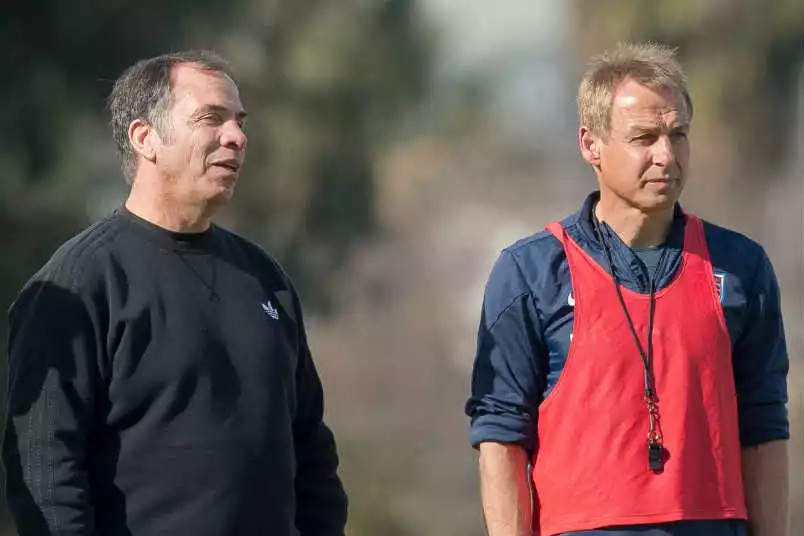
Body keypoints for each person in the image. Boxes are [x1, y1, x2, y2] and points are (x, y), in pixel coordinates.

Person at [2, 50, 347, 536]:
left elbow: (310, 449)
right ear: (145, 138)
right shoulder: (75, 284)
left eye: (240, 122)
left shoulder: (264, 277)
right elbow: (44, 469)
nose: (237, 137)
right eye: (212, 118)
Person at [465, 42, 790, 536]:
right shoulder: (529, 273)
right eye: (644, 137)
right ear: (590, 145)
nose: (666, 154)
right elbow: (501, 438)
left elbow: (764, 427)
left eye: (677, 134)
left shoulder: (742, 268)